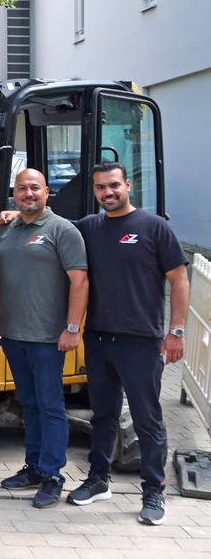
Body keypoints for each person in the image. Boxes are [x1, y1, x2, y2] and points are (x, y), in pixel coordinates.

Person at [68, 162, 188, 525]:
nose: (108, 192)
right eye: (101, 187)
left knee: (147, 420)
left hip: (141, 340)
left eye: (114, 185)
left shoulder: (155, 228)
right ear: (95, 191)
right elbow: (51, 226)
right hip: (100, 338)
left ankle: (153, 492)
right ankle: (98, 480)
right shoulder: (89, 227)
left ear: (128, 185)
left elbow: (179, 280)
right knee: (102, 415)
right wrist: (13, 213)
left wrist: (176, 331)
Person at [0, 168, 88, 509]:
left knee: (50, 406)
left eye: (34, 188)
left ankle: (53, 475)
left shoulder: (63, 231)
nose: (28, 193)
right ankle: (33, 467)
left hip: (49, 338)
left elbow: (80, 282)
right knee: (28, 405)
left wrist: (72, 328)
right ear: (13, 194)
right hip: (14, 335)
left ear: (47, 191)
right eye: (21, 189)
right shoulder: (7, 231)